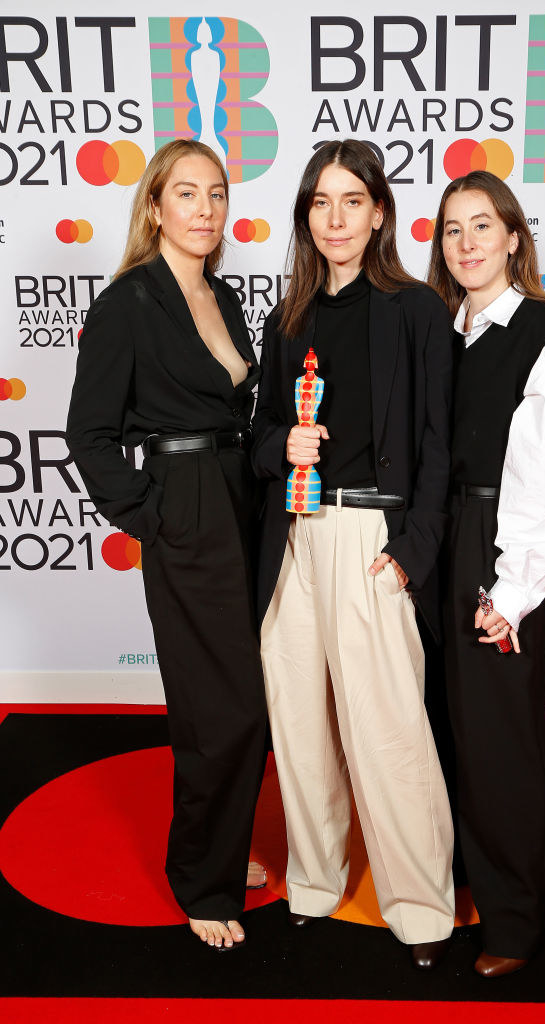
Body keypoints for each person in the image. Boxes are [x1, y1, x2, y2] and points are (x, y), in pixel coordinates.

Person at [252, 139, 455, 970]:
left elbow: (442, 446)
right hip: (294, 542)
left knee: (386, 731)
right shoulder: (286, 315)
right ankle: (314, 878)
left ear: (378, 212)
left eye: (351, 201)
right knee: (299, 722)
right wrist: (282, 446)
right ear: (305, 215)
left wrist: (413, 550)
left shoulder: (414, 309)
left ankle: (419, 903)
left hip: (373, 539)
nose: (334, 219)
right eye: (319, 202)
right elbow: (259, 436)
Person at [66, 140, 268, 951]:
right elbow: (90, 433)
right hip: (185, 505)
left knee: (253, 695)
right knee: (216, 705)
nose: (205, 209)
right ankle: (201, 878)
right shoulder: (128, 303)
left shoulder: (224, 295)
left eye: (216, 194)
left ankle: (224, 843)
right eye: (186, 194)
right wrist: (154, 516)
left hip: (244, 505)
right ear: (155, 207)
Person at [427, 170, 545, 977]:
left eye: (481, 226)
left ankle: (517, 918)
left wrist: (512, 591)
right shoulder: (447, 329)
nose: (465, 243)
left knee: (500, 738)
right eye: (452, 229)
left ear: (513, 238)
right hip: (442, 536)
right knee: (444, 721)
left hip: (499, 543)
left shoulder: (540, 336)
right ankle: (464, 875)